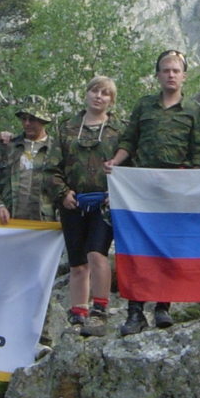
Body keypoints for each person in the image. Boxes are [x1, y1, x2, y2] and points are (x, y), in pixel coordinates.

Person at [109, 49, 200, 332]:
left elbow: (197, 153)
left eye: (176, 71)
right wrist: (114, 163)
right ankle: (134, 311)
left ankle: (163, 306)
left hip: (175, 191)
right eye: (165, 70)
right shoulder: (144, 106)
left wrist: (189, 177)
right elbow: (129, 140)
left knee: (168, 247)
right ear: (157, 75)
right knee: (136, 248)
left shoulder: (193, 111)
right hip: (140, 189)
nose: (171, 75)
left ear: (184, 77)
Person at [50, 75, 123, 336]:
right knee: (78, 262)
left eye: (105, 93)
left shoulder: (118, 131)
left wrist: (115, 193)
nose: (98, 96)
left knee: (97, 253)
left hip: (104, 203)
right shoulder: (66, 128)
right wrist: (62, 193)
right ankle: (78, 311)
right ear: (86, 94)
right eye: (94, 91)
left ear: (111, 100)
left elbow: (128, 165)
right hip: (72, 204)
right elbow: (51, 167)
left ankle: (100, 309)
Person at [0, 97, 59, 224]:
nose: (27, 123)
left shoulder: (56, 150)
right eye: (23, 119)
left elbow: (65, 187)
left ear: (42, 120)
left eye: (32, 119)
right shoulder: (8, 146)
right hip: (9, 222)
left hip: (45, 226)